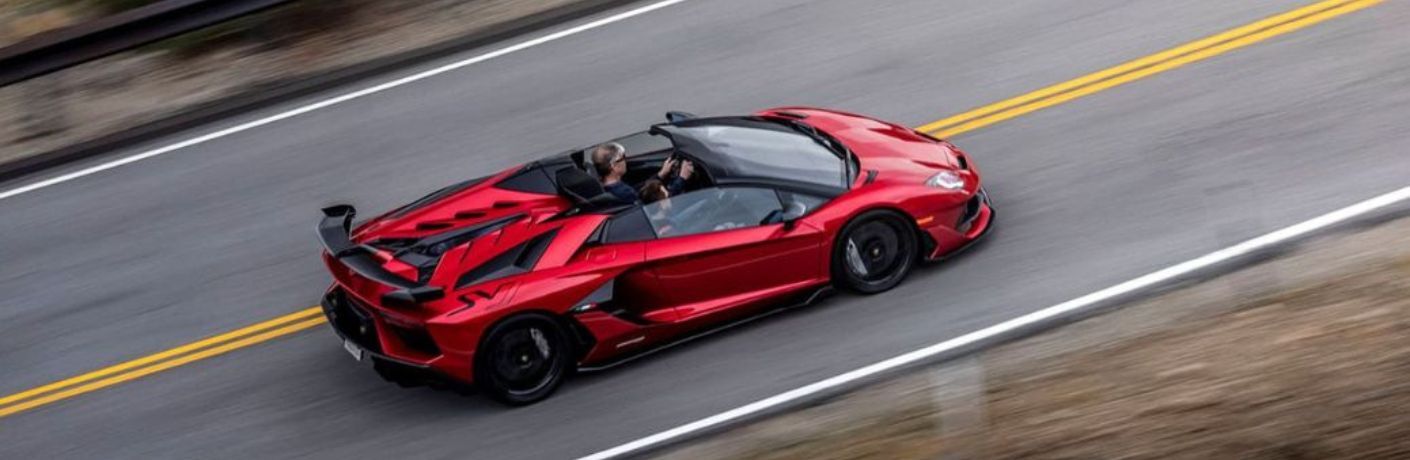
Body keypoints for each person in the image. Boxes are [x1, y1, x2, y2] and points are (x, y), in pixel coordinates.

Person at [590, 142, 694, 203]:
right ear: (613, 166)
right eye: (623, 158)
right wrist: (682, 178)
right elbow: (657, 208)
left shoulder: (611, 186)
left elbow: (639, 190)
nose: (625, 161)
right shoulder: (624, 193)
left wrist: (661, 174)